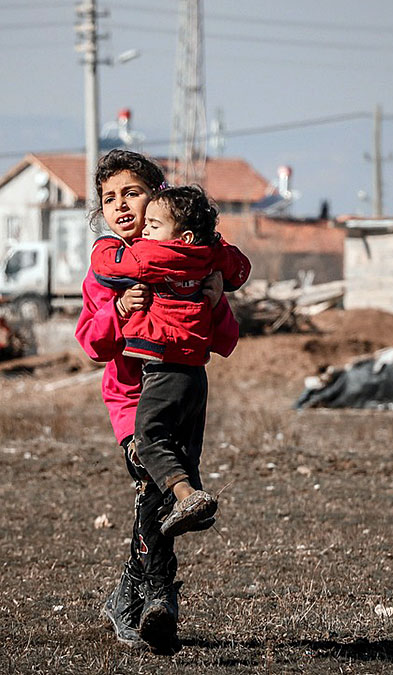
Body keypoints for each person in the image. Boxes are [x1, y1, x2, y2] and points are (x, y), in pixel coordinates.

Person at [74, 150, 245, 653]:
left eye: (132, 193)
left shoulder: (191, 262)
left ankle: (129, 596)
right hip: (131, 400)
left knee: (160, 496)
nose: (122, 206)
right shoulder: (108, 271)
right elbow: (91, 344)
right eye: (109, 198)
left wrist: (214, 299)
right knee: (155, 486)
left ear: (160, 197)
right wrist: (120, 311)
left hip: (182, 390)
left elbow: (223, 339)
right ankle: (157, 599)